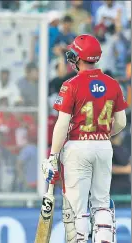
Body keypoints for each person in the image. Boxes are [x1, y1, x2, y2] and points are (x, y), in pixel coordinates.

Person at [42, 34, 128, 243]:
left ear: (77, 57)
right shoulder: (113, 84)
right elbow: (121, 122)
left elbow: (62, 124)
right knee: (101, 204)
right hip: (103, 147)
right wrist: (101, 135)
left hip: (77, 147)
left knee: (77, 209)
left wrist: (53, 156)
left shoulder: (70, 85)